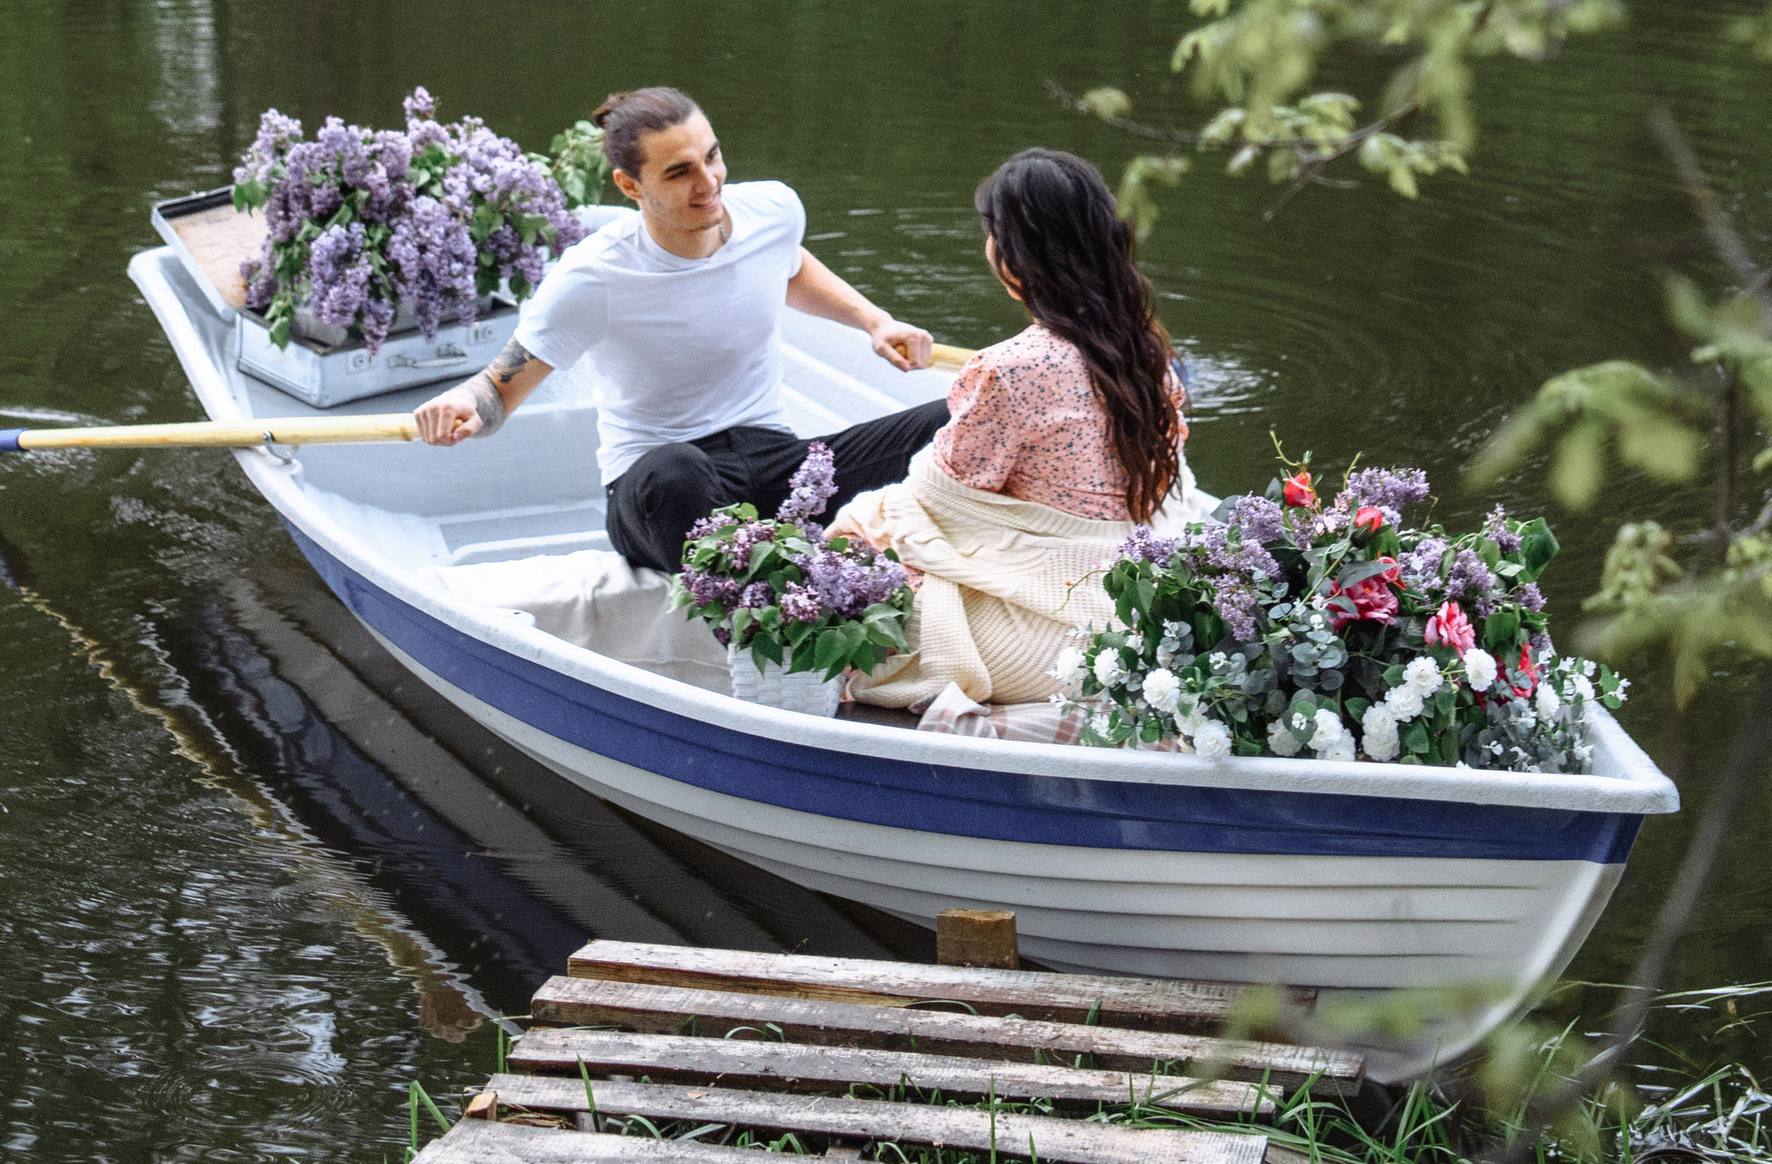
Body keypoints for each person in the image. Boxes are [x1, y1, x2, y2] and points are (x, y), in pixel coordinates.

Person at [410, 86, 946, 577]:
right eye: (679, 172)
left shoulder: (773, 211)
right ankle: (766, 612)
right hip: (658, 491)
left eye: (712, 156)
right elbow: (498, 388)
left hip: (774, 464)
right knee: (676, 471)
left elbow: (789, 265)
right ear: (630, 185)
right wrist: (462, 404)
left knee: (957, 417)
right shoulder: (592, 276)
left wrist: (874, 320)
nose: (708, 183)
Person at [844, 146, 1193, 730]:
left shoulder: (1010, 368)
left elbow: (936, 499)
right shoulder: (1152, 358)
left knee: (864, 526)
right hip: (1132, 625)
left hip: (1036, 648)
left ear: (1013, 259)